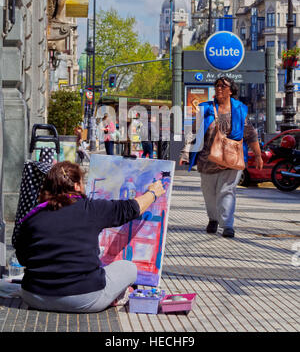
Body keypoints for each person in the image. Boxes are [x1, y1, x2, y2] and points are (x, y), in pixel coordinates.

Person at [15, 161, 165, 313]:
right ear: (76, 186)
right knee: (129, 268)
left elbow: (22, 259)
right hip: (83, 298)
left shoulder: (32, 217)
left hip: (34, 296)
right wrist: (152, 193)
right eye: (82, 182)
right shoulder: (90, 209)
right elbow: (130, 209)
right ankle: (113, 297)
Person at [179, 77, 263, 238]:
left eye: (223, 86)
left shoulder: (240, 109)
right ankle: (213, 218)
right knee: (209, 192)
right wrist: (185, 153)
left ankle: (227, 225)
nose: (219, 88)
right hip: (207, 159)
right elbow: (194, 132)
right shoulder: (205, 109)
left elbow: (250, 133)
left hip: (232, 158)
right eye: (217, 85)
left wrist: (258, 155)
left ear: (231, 90)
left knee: (227, 191)